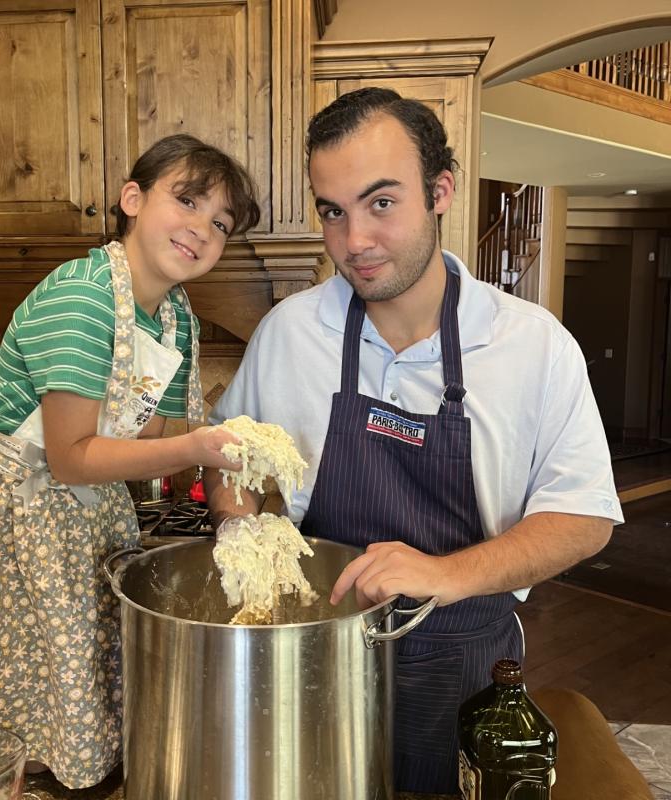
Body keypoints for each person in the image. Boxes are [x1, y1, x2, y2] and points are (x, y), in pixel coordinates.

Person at [204, 88, 623, 794]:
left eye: (382, 203)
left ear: (441, 191)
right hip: (315, 653)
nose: (354, 242)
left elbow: (585, 517)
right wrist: (244, 532)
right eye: (332, 211)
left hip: (460, 668)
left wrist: (445, 572)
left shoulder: (532, 346)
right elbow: (231, 459)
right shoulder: (289, 333)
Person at [0, 134, 260, 789]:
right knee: (13, 695)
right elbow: (72, 456)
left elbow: (146, 423)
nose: (201, 229)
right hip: (5, 509)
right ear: (133, 199)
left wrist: (224, 435)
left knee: (75, 682)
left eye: (220, 223)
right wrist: (193, 446)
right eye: (186, 200)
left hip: (80, 506)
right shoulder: (83, 298)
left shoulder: (175, 317)